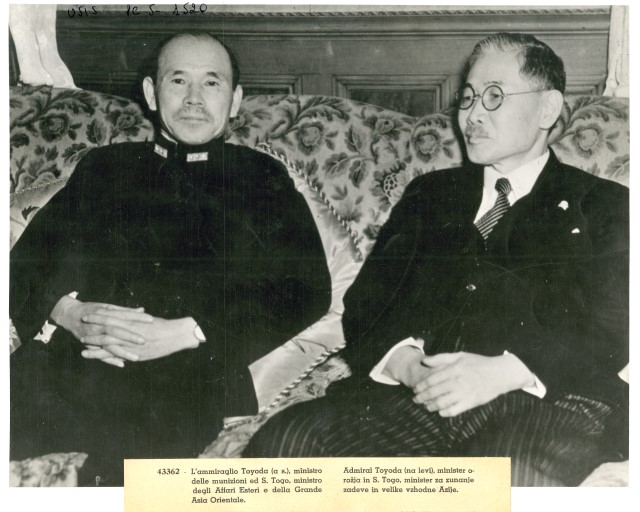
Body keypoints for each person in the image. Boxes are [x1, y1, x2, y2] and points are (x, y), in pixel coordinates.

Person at [243, 32, 629, 486]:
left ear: (547, 109)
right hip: (417, 399)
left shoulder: (605, 206)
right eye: (468, 98)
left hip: (546, 401)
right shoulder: (430, 194)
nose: (472, 115)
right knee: (284, 445)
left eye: (494, 97)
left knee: (505, 481)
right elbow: (368, 303)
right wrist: (409, 366)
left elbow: (615, 323)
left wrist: (507, 371)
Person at [9, 31, 331, 486]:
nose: (194, 98)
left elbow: (305, 288)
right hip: (70, 366)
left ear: (235, 100)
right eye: (178, 80)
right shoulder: (106, 167)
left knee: (128, 480)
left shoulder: (261, 178)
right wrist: (69, 313)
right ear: (151, 93)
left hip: (187, 378)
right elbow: (23, 265)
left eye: (212, 83)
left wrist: (188, 331)